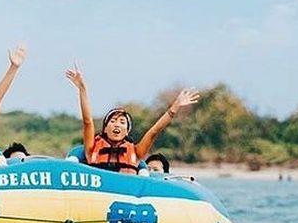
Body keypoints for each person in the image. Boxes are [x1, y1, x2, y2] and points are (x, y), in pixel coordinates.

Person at [64, 65, 199, 175]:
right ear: (105, 128)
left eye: (122, 122)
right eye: (113, 121)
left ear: (127, 132)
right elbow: (87, 121)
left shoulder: (136, 152)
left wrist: (175, 107)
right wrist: (82, 89)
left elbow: (154, 131)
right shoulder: (91, 148)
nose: (117, 124)